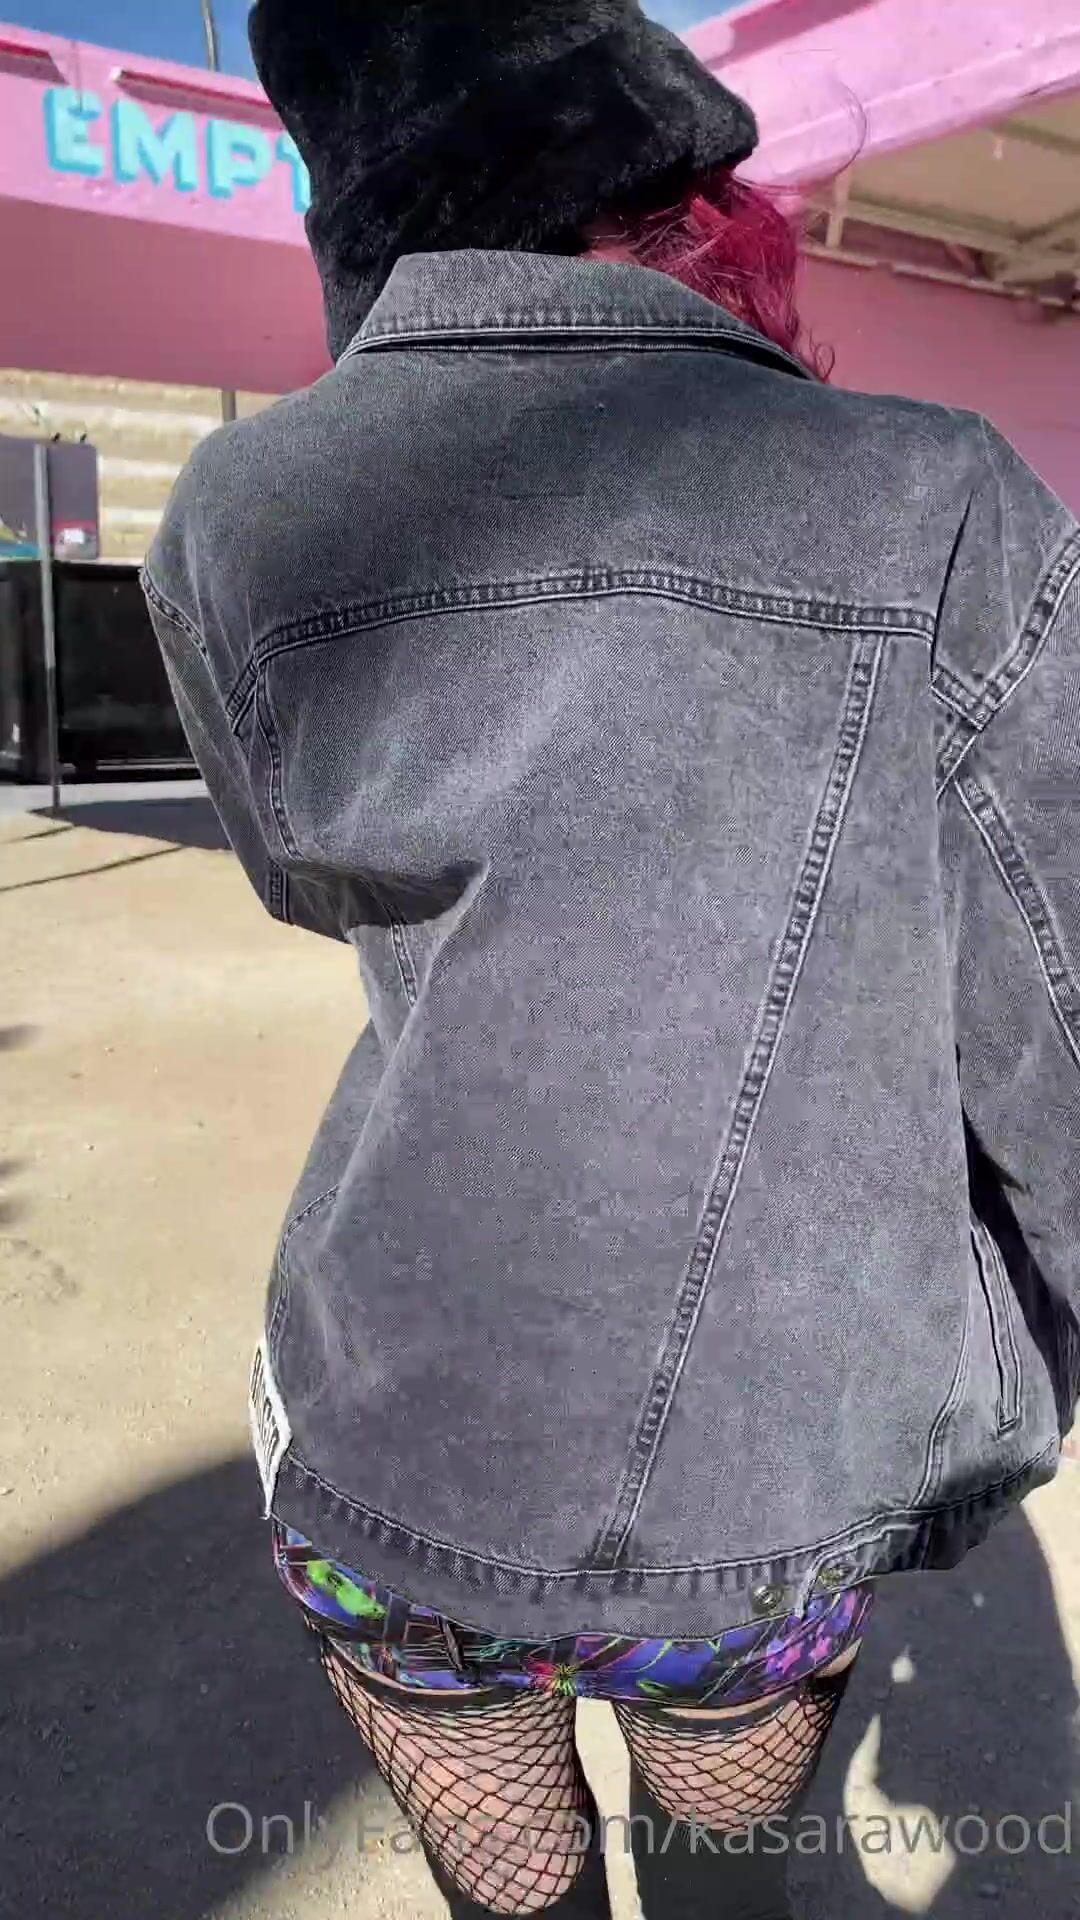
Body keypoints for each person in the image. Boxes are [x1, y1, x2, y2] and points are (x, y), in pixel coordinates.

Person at [142, 3, 1080, 1914]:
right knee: (729, 1884)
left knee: (514, 1896)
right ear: (691, 195)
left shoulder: (238, 511)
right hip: (766, 1483)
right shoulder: (936, 493)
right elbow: (1053, 1005)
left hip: (396, 1442)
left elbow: (306, 881)